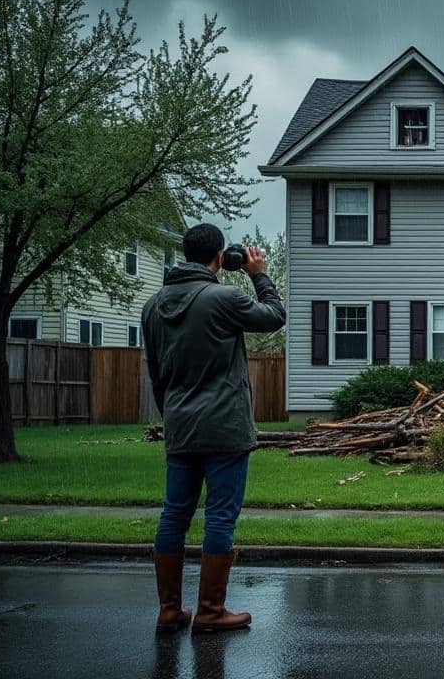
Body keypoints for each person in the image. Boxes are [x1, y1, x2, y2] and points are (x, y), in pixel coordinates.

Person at [142, 223, 286, 633]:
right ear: (220, 259)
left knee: (174, 514)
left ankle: (170, 609)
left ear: (185, 255)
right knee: (220, 516)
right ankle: (210, 610)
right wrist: (258, 274)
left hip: (180, 426)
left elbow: (156, 375)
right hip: (225, 427)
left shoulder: (152, 306)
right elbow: (274, 316)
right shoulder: (222, 297)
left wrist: (172, 416)